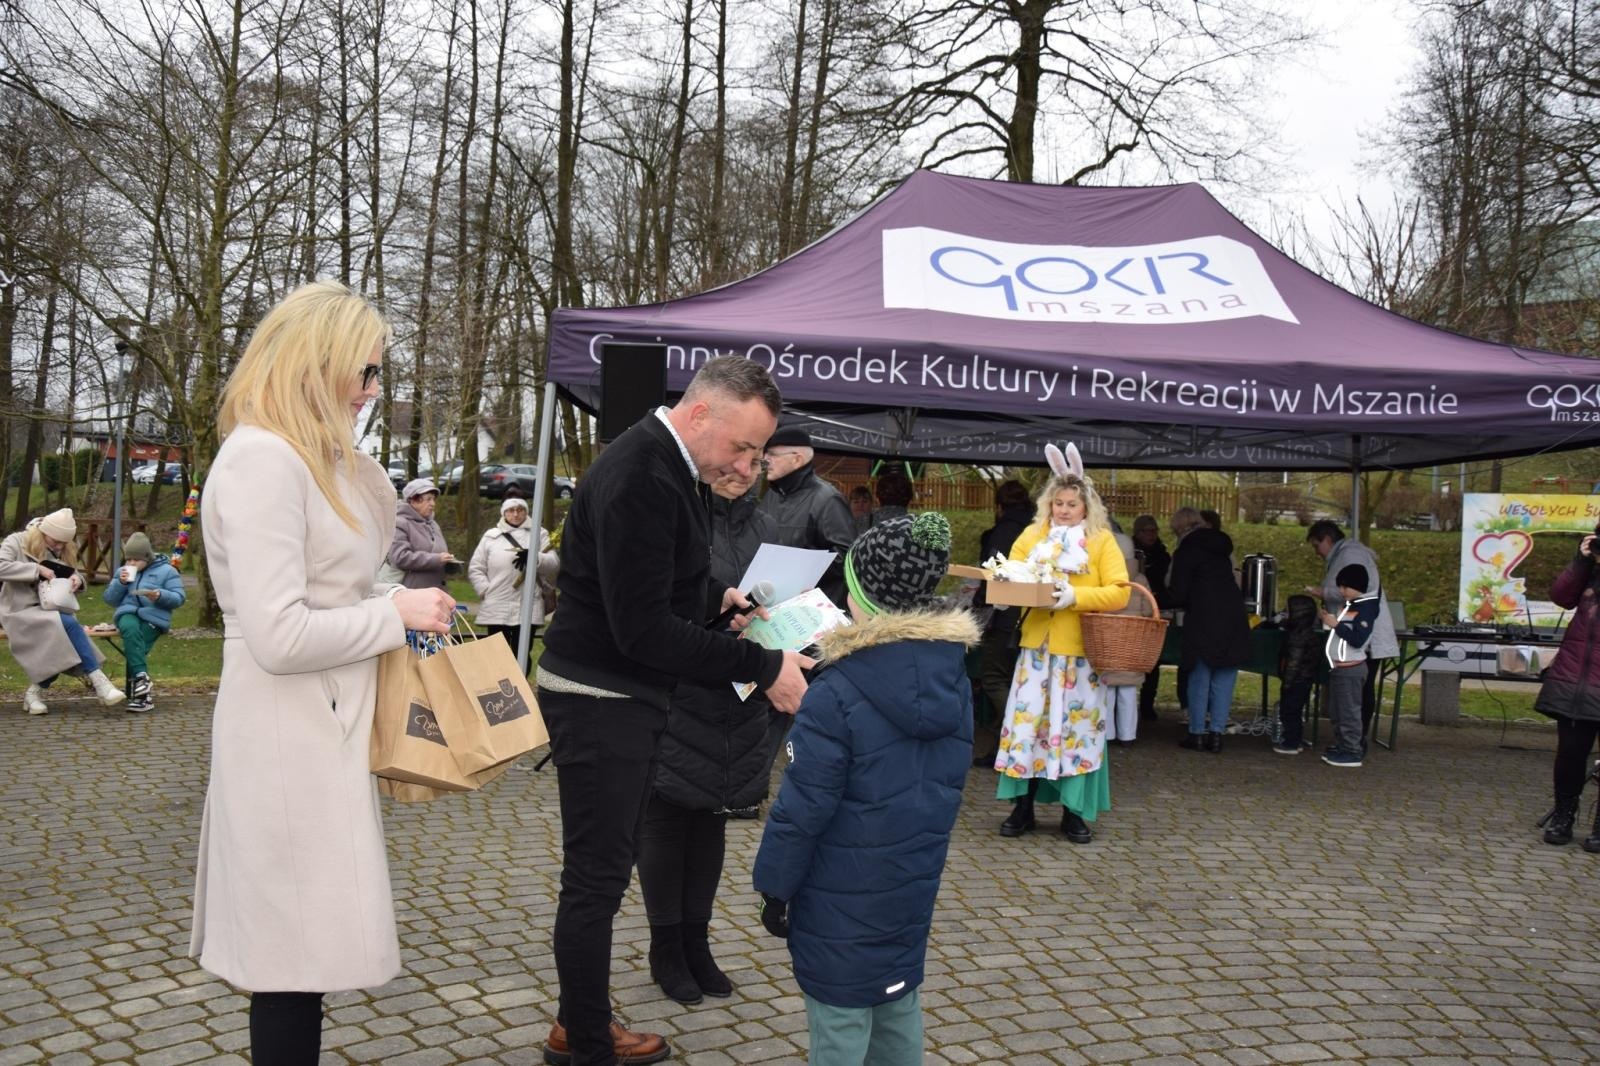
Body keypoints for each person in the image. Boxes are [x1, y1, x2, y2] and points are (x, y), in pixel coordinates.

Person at [188, 281, 456, 1064]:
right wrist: (393, 615)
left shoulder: (306, 456)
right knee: (287, 954)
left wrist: (385, 600)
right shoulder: (262, 460)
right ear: (318, 363)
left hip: (317, 720)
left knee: (301, 954)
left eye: (377, 375)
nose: (373, 390)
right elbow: (276, 632)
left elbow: (322, 586)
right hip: (283, 728)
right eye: (365, 372)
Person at [535, 355, 813, 1066]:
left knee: (605, 868)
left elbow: (656, 583)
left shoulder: (667, 463)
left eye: (759, 451)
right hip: (600, 699)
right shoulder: (643, 476)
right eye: (742, 446)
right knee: (596, 879)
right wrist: (765, 665)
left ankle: (580, 1022)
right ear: (699, 416)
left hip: (621, 695)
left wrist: (717, 598)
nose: (748, 463)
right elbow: (642, 630)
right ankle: (587, 1044)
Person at [753, 512, 975, 1066]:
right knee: (898, 1003)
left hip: (837, 892)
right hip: (910, 882)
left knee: (840, 1019)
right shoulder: (953, 678)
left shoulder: (836, 693)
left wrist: (774, 887)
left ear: (864, 600)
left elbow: (802, 810)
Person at [636, 466, 788, 1006]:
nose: (742, 472)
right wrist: (715, 616)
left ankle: (696, 943)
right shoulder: (676, 511)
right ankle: (665, 948)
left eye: (754, 461)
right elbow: (651, 604)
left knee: (712, 815)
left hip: (739, 687)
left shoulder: (770, 522)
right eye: (734, 457)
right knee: (667, 813)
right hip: (679, 680)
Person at [994, 444, 1128, 844]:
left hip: (1080, 654)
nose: (1065, 510)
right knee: (1028, 727)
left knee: (1076, 730)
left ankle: (1074, 812)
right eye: (1059, 503)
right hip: (1036, 649)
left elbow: (1120, 592)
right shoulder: (1034, 534)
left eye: (1072, 503)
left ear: (1087, 506)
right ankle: (1024, 807)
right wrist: (1003, 587)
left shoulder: (1101, 541)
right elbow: (1008, 568)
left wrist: (1077, 597)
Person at [0, 508, 124, 714]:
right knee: (66, 626)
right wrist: (35, 570)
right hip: (18, 610)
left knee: (63, 641)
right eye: (54, 541)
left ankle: (34, 694)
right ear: (43, 532)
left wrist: (77, 579)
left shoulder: (61, 549)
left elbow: (70, 572)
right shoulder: (15, 541)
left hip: (49, 609)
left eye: (62, 543)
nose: (58, 546)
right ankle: (101, 683)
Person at [1304, 520, 1398, 750]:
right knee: (1355, 694)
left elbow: (1350, 589)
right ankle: (1351, 740)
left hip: (1362, 641)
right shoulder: (1347, 554)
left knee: (1357, 693)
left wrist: (1321, 592)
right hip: (1357, 637)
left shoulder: (1350, 556)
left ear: (1327, 539)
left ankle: (1355, 742)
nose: (1317, 553)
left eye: (1317, 546)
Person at [1533, 530, 1600, 850]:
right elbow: (1560, 596)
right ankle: (1564, 815)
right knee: (1570, 754)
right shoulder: (1589, 572)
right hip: (1575, 678)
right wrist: (1581, 560)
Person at [1167, 506, 1251, 753]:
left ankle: (1196, 733)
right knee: (1224, 678)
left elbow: (1179, 593)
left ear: (1180, 529)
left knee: (1200, 678)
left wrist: (1158, 599)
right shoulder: (1222, 550)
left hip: (1203, 618)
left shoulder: (1186, 550)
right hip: (1233, 616)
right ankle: (1217, 734)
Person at [758, 426, 857, 608]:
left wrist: (800, 568)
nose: (765, 460)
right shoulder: (772, 495)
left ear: (797, 459)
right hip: (772, 603)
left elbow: (848, 556)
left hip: (811, 610)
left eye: (772, 455)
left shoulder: (827, 499)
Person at [973, 479, 1034, 766]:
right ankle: (1008, 741)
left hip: (1006, 616)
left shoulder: (1002, 532)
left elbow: (991, 575)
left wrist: (979, 604)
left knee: (994, 678)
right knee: (1016, 681)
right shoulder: (1036, 530)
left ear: (999, 507)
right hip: (1033, 616)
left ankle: (1014, 737)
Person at [102, 531, 186, 713]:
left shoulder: (167, 571)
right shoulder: (122, 572)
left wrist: (159, 595)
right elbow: (110, 599)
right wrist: (120, 583)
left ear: (147, 557)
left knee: (135, 647)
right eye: (128, 559)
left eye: (136, 560)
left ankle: (141, 694)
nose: (131, 563)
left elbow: (179, 598)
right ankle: (142, 690)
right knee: (130, 628)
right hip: (127, 612)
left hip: (154, 617)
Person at [468, 495, 557, 647]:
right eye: (510, 510)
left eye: (520, 510)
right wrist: (485, 590)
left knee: (522, 655)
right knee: (497, 654)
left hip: (529, 603)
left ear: (526, 512)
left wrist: (535, 558)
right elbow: (476, 568)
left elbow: (554, 564)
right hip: (497, 605)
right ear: (503, 513)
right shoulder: (491, 536)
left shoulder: (539, 534)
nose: (515, 514)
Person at [1318, 564, 1380, 768]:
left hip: (1351, 669)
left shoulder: (1366, 608)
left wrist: (1336, 624)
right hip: (1339, 667)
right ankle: (1342, 744)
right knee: (1337, 711)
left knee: (1349, 712)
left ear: (1357, 586)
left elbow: (1357, 639)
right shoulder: (1351, 606)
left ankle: (1353, 750)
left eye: (1345, 588)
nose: (1341, 592)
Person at [1100, 532, 1153, 746]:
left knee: (1108, 688)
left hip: (1106, 639)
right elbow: (1148, 610)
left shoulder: (1103, 579)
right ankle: (1128, 734)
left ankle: (1107, 733)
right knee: (1129, 690)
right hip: (1131, 641)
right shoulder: (1139, 580)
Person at [1130, 515, 1170, 721]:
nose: (1151, 535)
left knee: (1154, 661)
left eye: (1154, 530)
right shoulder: (1130, 555)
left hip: (1156, 608)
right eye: (1147, 530)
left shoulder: (1163, 555)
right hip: (1135, 608)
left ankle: (1147, 704)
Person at [1273, 594, 1321, 755]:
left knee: (1289, 711)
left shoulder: (1297, 637)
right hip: (1303, 679)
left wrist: (1287, 682)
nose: (1285, 614)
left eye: (1288, 611)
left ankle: (1291, 742)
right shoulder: (1307, 633)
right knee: (1294, 710)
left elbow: (1293, 663)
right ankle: (1295, 739)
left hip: (1295, 680)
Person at [389, 478, 453, 590]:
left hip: (437, 589)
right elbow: (400, 557)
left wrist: (449, 562)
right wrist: (437, 559)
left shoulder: (433, 524)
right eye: (428, 499)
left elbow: (438, 553)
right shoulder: (400, 523)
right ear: (413, 500)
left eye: (433, 499)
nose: (432, 504)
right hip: (413, 591)